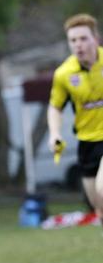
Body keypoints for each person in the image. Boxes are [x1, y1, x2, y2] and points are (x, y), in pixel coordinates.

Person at [48, 13, 103, 231]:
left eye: (83, 38)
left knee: (102, 188)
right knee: (98, 208)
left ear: (95, 38)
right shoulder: (64, 74)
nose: (78, 45)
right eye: (73, 40)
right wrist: (54, 133)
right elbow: (55, 107)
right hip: (87, 143)